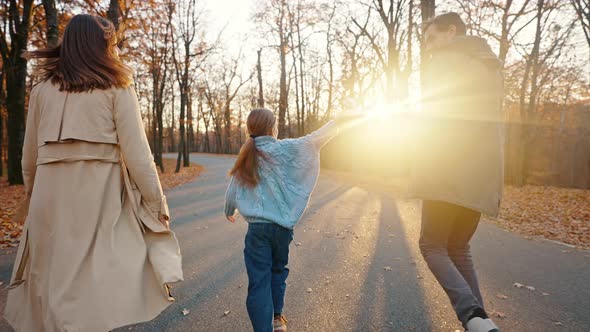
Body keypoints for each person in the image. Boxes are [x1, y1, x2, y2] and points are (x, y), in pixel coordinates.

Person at [5, 14, 179, 331]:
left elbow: (28, 158)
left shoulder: (42, 90)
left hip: (49, 202)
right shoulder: (118, 88)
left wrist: (33, 196)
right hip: (98, 200)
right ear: (102, 45)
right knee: (94, 286)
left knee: (54, 286)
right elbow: (139, 155)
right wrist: (156, 204)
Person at [224, 109, 359, 332]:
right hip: (282, 229)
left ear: (250, 129)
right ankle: (277, 318)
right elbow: (316, 138)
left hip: (257, 230)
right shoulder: (285, 148)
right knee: (278, 271)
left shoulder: (248, 153)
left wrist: (230, 209)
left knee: (259, 282)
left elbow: (233, 188)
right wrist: (339, 119)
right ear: (272, 128)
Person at [411, 12, 505, 332]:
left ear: (452, 32)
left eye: (432, 38)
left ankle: (473, 316)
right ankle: (481, 324)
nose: (429, 47)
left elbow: (436, 121)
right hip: (482, 175)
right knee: (458, 247)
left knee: (431, 245)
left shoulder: (443, 63)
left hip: (447, 170)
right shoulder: (490, 65)